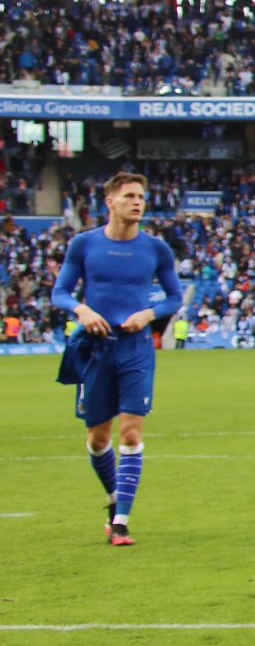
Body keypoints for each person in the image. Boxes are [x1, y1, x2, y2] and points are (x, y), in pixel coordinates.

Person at [52, 173, 183, 547]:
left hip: (136, 347)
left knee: (130, 432)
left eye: (141, 196)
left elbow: (174, 298)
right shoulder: (84, 244)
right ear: (110, 201)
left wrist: (148, 314)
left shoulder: (156, 249)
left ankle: (122, 521)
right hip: (96, 346)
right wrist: (81, 310)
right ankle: (113, 500)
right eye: (129, 196)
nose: (137, 202)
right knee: (97, 439)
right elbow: (60, 292)